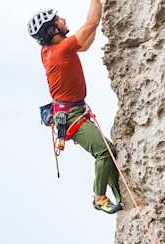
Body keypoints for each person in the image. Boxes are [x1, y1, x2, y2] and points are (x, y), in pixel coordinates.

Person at [29, 2, 123, 214]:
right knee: (104, 152)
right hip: (71, 116)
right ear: (53, 30)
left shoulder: (49, 50)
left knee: (107, 150)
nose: (64, 20)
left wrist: (94, 25)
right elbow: (91, 23)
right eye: (59, 20)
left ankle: (118, 194)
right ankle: (99, 198)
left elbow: (86, 43)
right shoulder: (60, 51)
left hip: (70, 111)